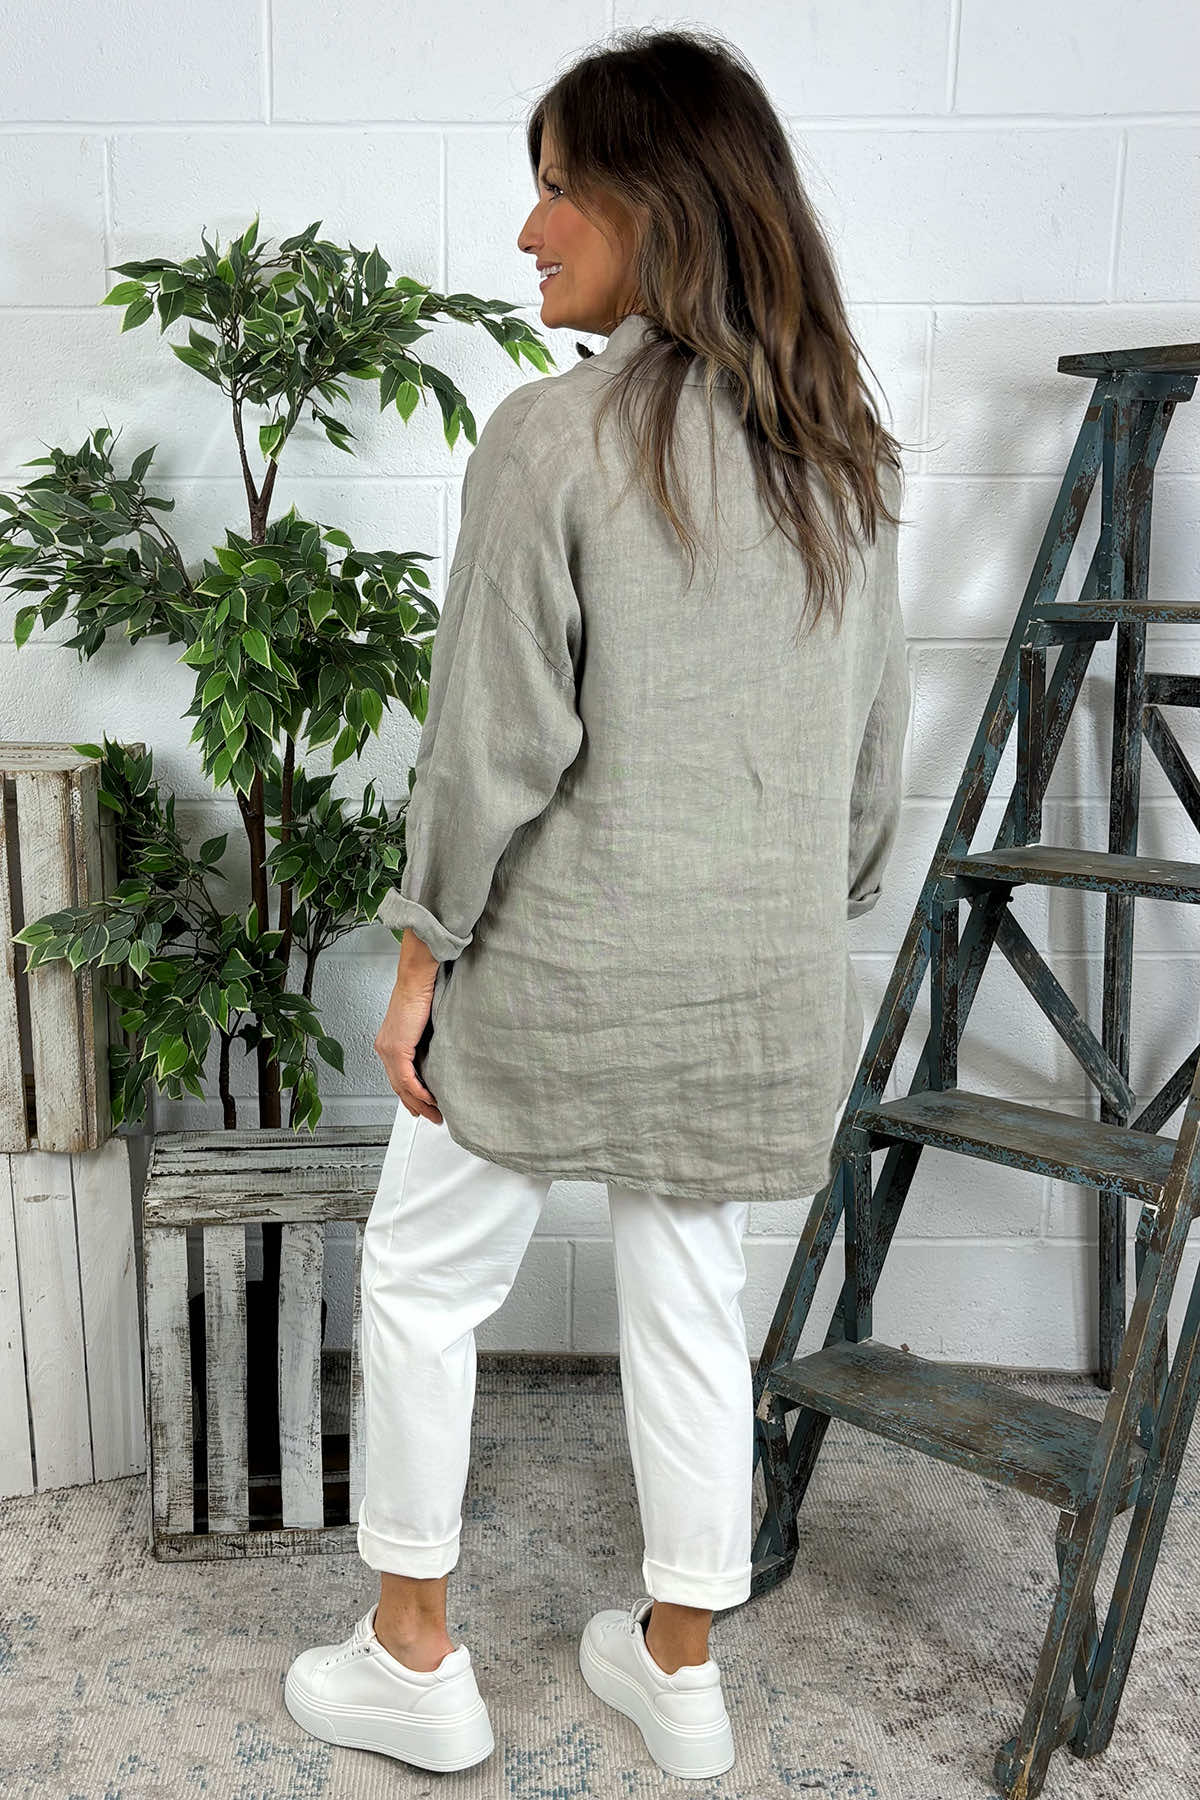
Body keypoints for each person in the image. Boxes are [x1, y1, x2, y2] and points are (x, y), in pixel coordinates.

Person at [283, 23, 913, 1785]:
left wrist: (421, 959)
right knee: (693, 1298)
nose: (529, 229)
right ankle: (680, 1670)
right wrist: (778, 919)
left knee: (422, 1278)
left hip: (555, 973)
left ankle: (415, 1657)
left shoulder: (552, 439)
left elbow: (491, 746)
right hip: (749, 982)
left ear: (659, 201)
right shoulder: (845, 456)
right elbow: (871, 769)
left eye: (558, 186)